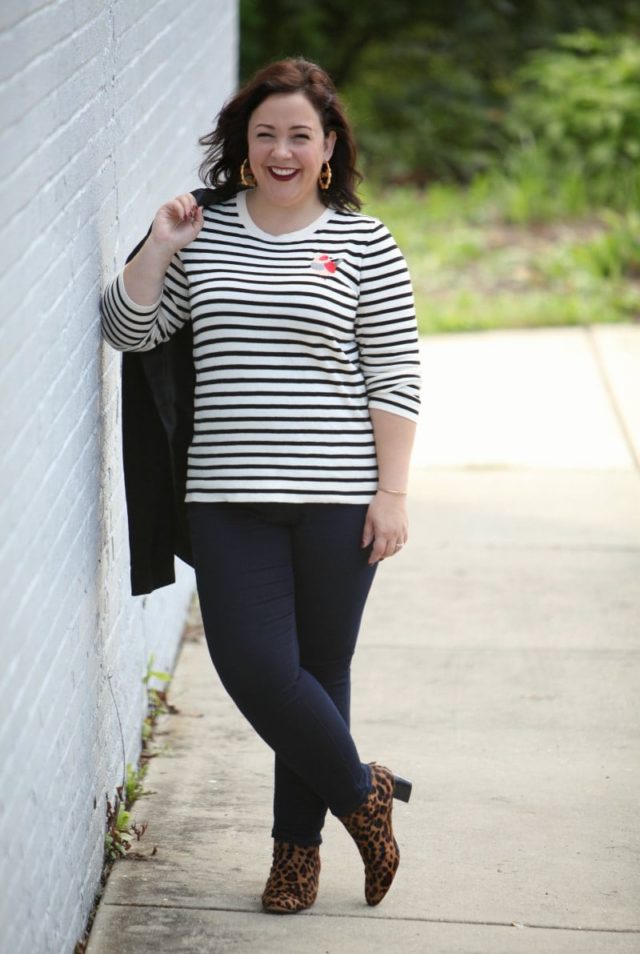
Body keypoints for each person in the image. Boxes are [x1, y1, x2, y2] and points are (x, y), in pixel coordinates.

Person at [101, 57, 421, 914]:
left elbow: (392, 374)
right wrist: (160, 247)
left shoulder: (364, 241)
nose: (282, 150)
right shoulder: (201, 228)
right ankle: (365, 794)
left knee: (321, 669)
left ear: (328, 149)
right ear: (244, 144)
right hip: (226, 498)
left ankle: (296, 856)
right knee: (257, 667)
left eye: (300, 136)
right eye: (266, 134)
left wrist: (391, 494)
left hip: (338, 497)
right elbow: (128, 329)